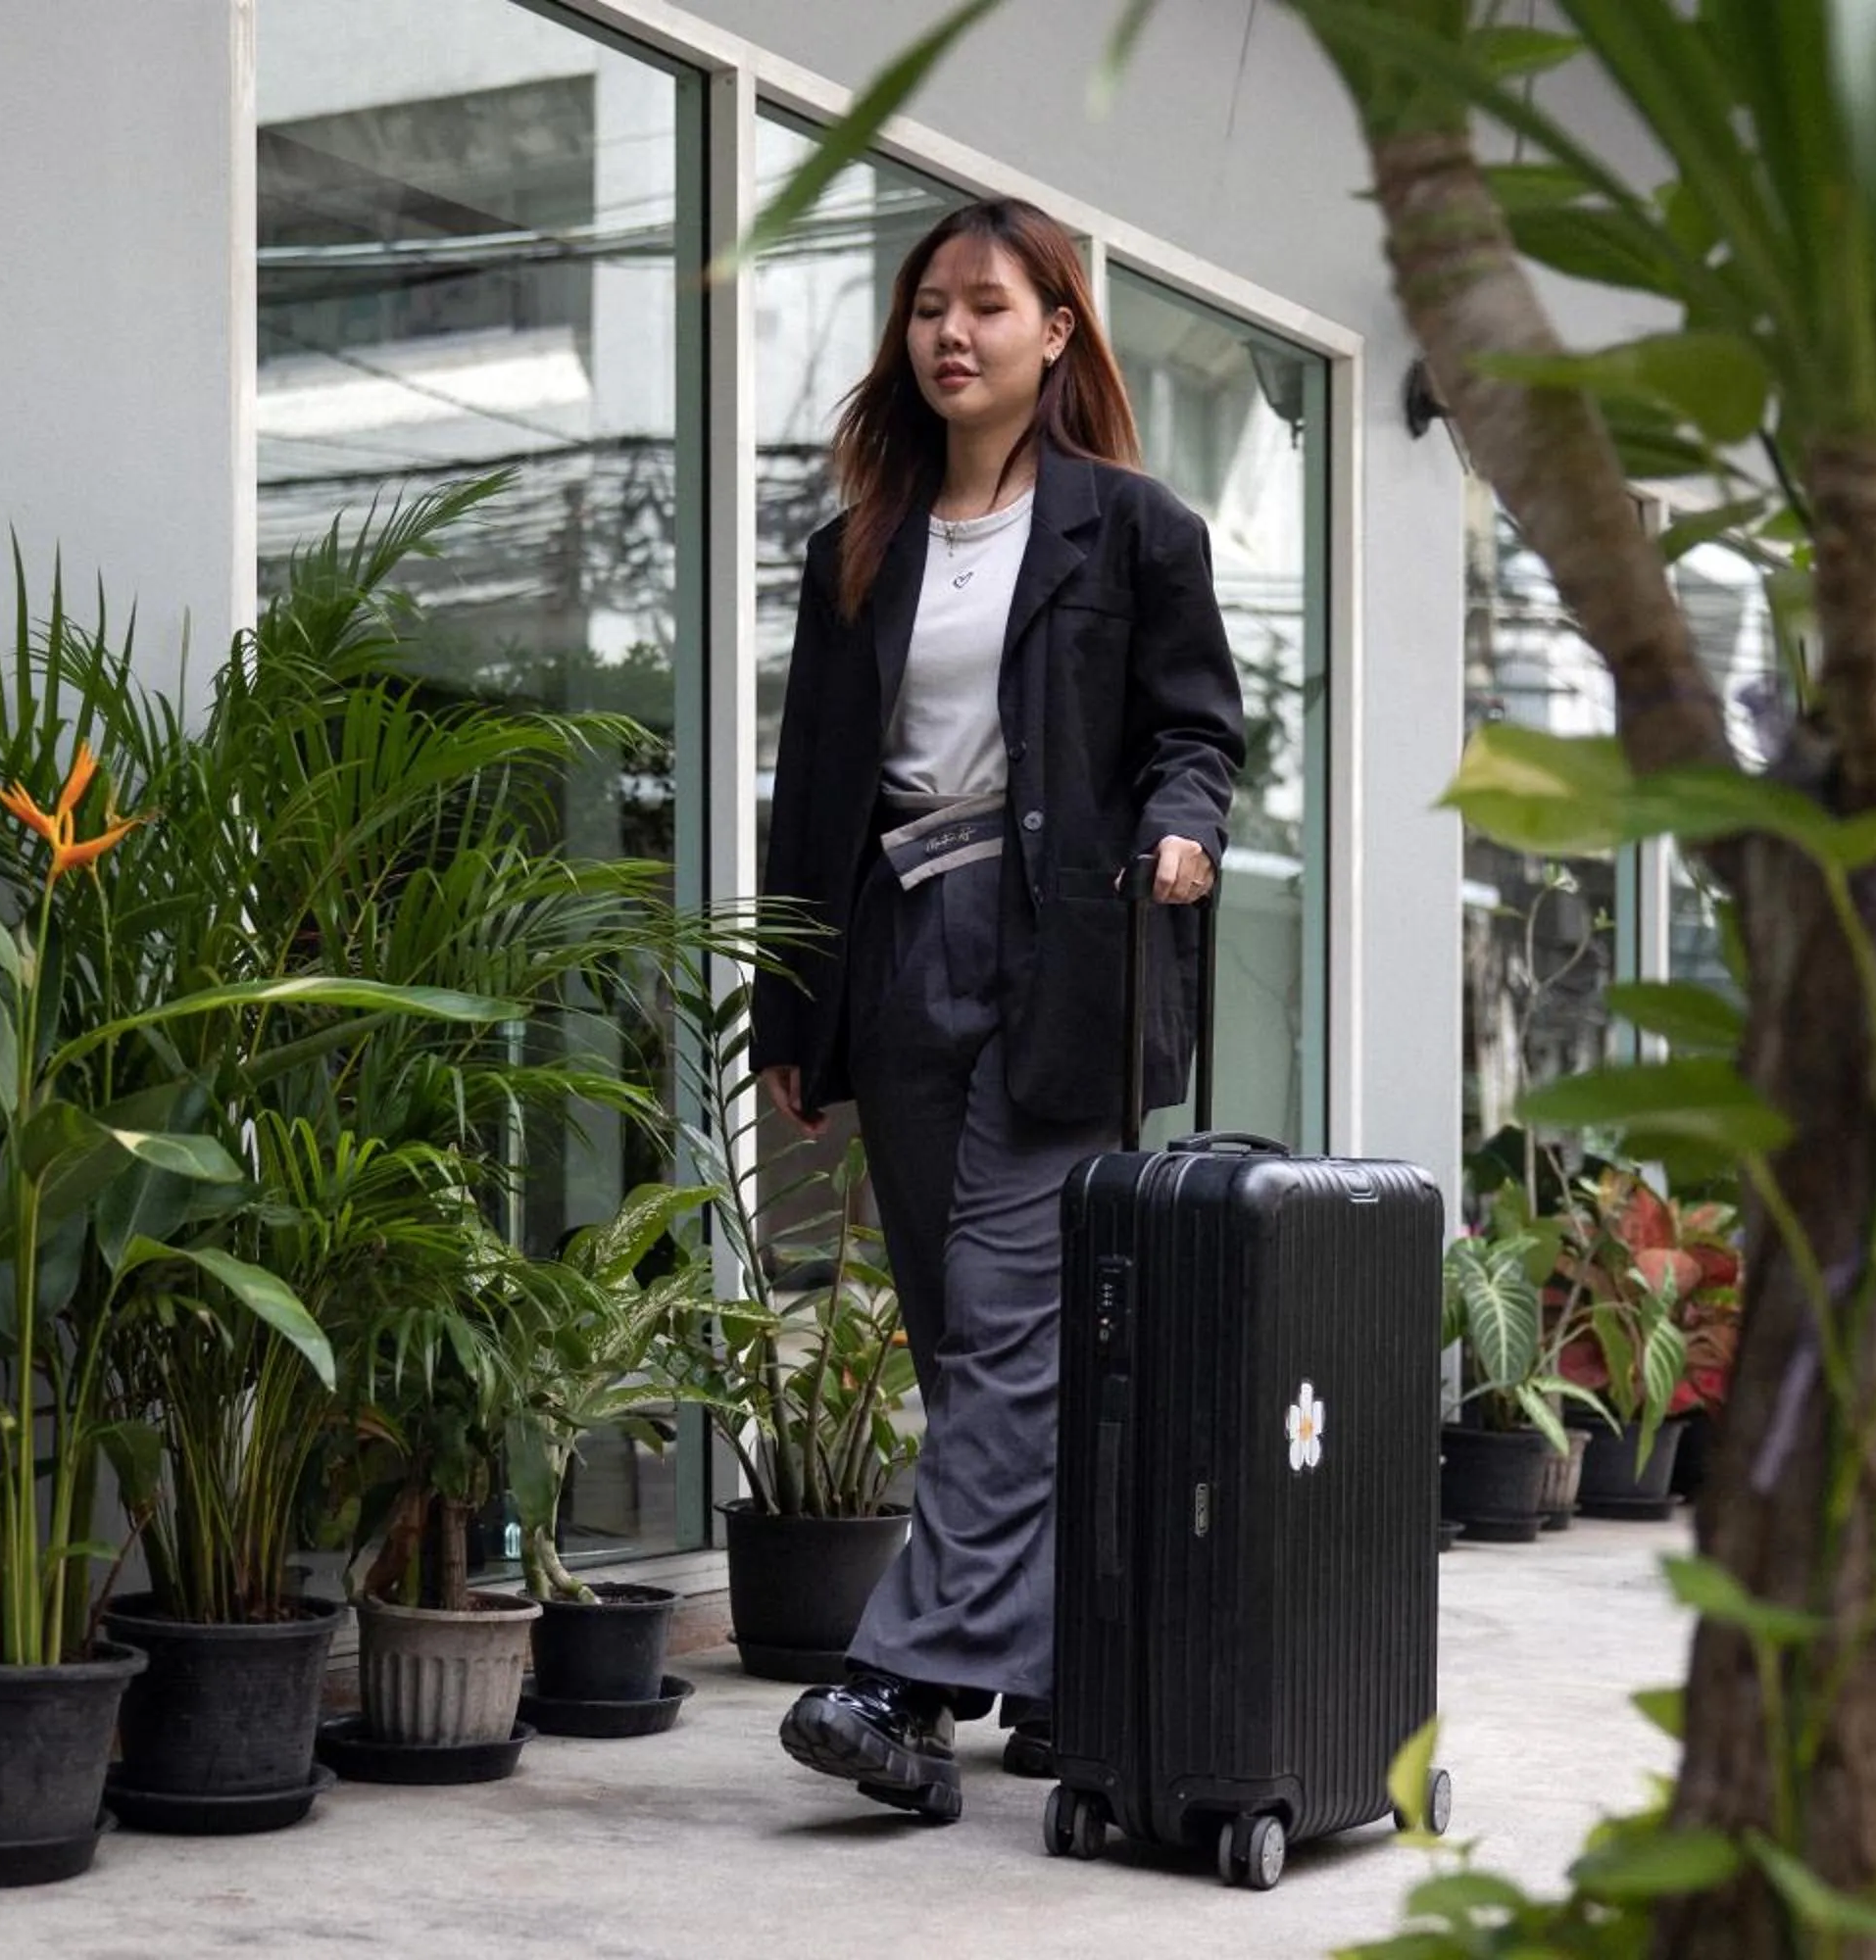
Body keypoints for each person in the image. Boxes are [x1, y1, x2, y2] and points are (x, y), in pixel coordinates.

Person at [752, 196, 1245, 1824]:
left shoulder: (1134, 527)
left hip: (1065, 963)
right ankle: (1055, 1669)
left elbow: (1198, 728)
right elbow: (812, 794)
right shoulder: (858, 544)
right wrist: (794, 1017)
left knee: (1016, 1320)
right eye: (926, 311)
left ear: (1056, 332)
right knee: (965, 1336)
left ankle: (903, 1683)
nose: (951, 334)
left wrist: (1186, 829)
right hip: (901, 948)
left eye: (987, 306)